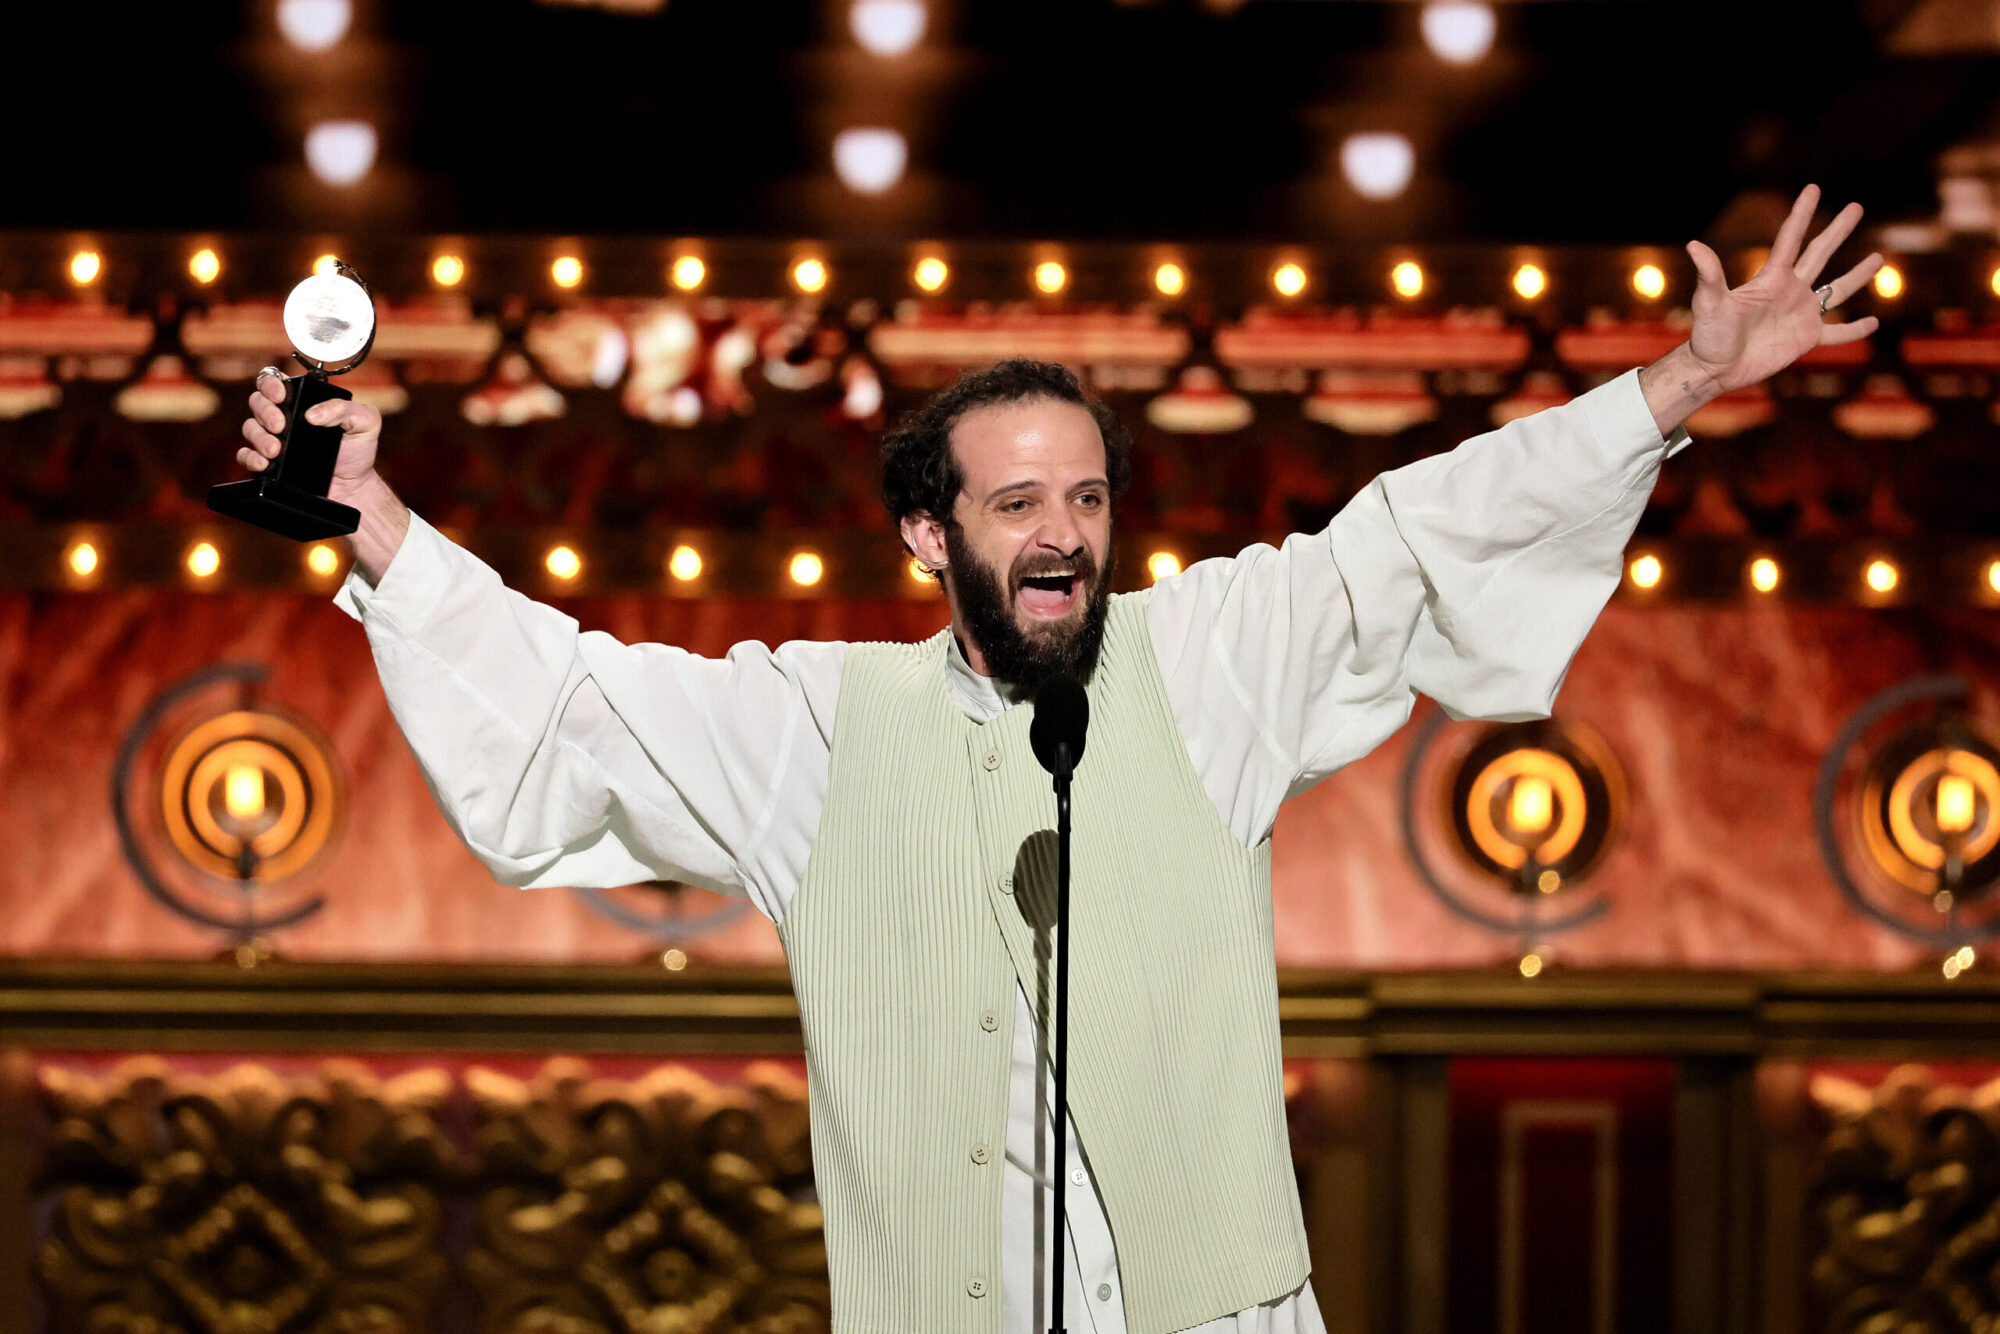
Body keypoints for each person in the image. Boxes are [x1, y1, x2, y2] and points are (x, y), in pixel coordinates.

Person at [236, 186, 1880, 1334]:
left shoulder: (1213, 660)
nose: (1064, 536)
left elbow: (1419, 538)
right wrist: (372, 521)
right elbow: (571, 705)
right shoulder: (815, 725)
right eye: (1017, 503)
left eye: (1086, 499)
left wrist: (1678, 386)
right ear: (926, 532)